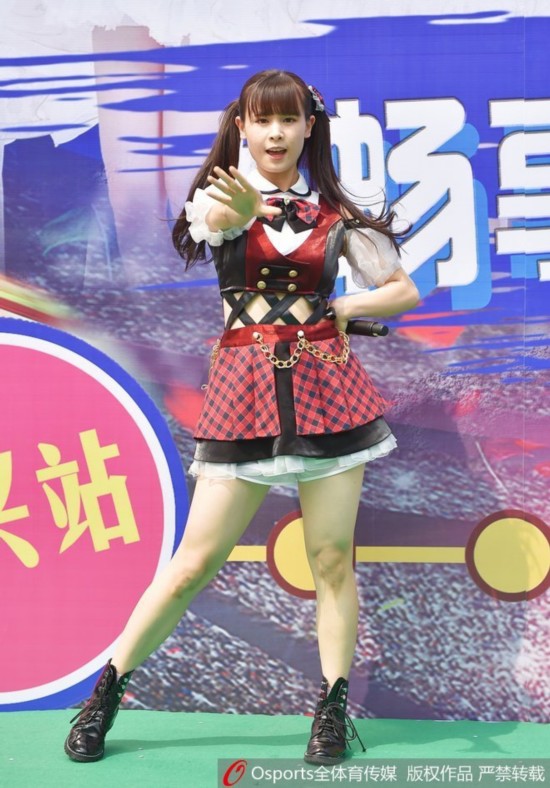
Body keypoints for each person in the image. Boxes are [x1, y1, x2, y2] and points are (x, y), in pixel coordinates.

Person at [64, 69, 419, 766]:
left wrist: (344, 308)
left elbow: (401, 290)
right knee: (193, 563)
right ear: (243, 127)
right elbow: (212, 225)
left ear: (309, 127)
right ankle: (104, 694)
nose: (276, 134)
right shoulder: (222, 200)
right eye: (263, 120)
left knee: (331, 558)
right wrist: (242, 210)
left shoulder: (335, 220)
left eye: (288, 120)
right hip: (244, 394)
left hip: (327, 393)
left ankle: (332, 710)